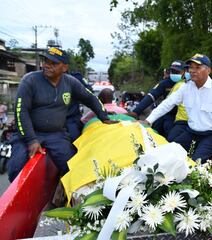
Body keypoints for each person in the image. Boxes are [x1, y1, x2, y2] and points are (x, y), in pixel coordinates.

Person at [7, 47, 117, 182]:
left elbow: (90, 98)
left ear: (64, 68)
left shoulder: (70, 82)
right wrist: (31, 139)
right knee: (15, 168)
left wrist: (104, 117)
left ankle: (63, 193)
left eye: (53, 63)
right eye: (46, 61)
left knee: (72, 166)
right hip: (29, 133)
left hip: (55, 134)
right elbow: (20, 111)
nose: (47, 65)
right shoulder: (30, 81)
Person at [142, 54, 212, 161]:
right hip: (191, 132)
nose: (192, 71)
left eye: (198, 67)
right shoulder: (186, 87)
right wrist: (148, 121)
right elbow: (168, 103)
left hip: (210, 136)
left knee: (194, 163)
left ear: (208, 70)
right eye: (190, 67)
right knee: (168, 154)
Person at [128, 60, 187, 137]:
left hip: (181, 118)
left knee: (170, 132)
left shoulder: (188, 83)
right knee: (156, 128)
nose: (174, 73)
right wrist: (136, 111)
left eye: (177, 71)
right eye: (172, 71)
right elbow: (152, 96)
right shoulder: (166, 83)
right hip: (166, 112)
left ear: (184, 72)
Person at [65, 72, 92, 142]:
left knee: (76, 142)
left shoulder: (75, 78)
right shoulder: (38, 79)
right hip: (47, 122)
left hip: (70, 120)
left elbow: (88, 91)